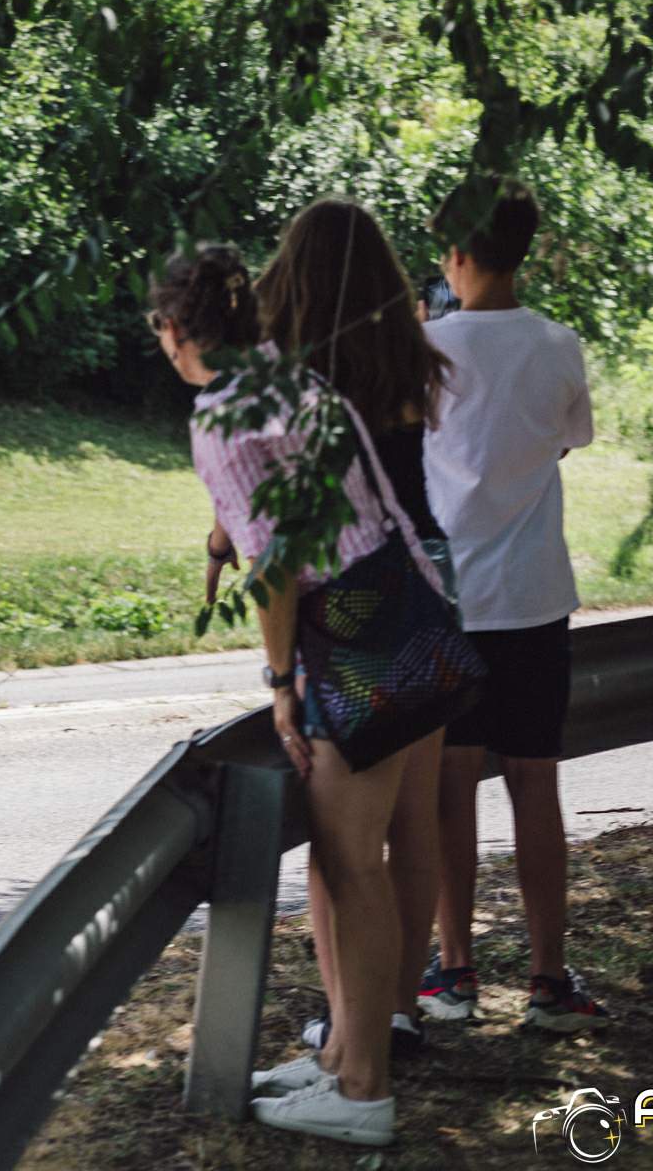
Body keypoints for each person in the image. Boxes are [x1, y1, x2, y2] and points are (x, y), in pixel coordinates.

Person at [156, 234, 442, 1148]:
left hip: (348, 632)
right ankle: (341, 1060)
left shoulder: (221, 418)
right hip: (402, 609)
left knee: (352, 865)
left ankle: (362, 1091)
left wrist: (281, 682)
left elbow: (276, 567)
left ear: (175, 331)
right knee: (345, 859)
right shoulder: (295, 384)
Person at [249, 200, 454, 1068]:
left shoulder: (287, 380)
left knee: (340, 842)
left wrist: (279, 673)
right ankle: (397, 1012)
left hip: (349, 596)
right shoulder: (410, 353)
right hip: (428, 573)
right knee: (415, 819)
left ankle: (347, 1032)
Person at [417, 177, 603, 1032]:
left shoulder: (425, 350)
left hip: (451, 603)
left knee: (452, 791)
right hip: (534, 598)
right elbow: (567, 441)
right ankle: (548, 980)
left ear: (457, 254)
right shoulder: (559, 344)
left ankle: (455, 973)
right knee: (536, 786)